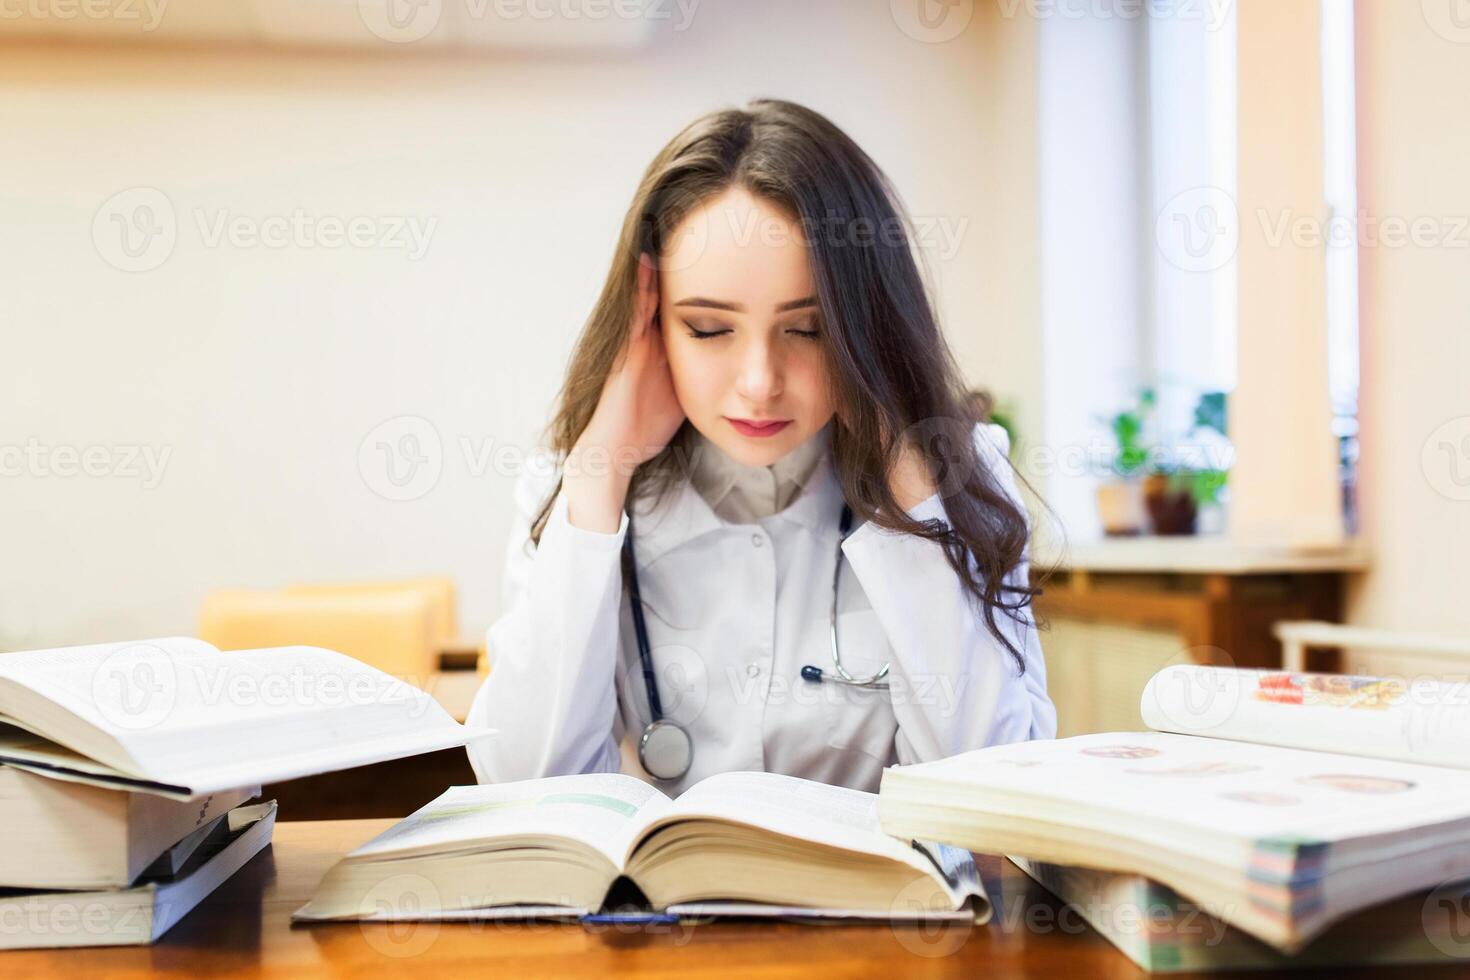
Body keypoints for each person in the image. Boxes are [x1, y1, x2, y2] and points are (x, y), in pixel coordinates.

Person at [466, 98, 1056, 796]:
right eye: (710, 329)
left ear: (866, 325)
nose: (759, 384)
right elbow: (524, 785)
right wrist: (600, 471)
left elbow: (993, 797)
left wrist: (910, 484)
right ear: (648, 328)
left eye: (807, 330)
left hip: (893, 908)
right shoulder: (576, 491)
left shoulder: (959, 479)